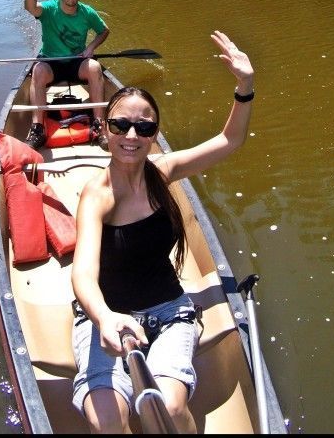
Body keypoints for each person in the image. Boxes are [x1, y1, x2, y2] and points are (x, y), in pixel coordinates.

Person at [70, 30, 254, 434]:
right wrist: (104, 317)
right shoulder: (97, 195)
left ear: (155, 133)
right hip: (105, 316)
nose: (132, 137)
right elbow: (82, 273)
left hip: (168, 312)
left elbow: (230, 140)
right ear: (105, 130)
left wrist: (244, 86)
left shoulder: (163, 172)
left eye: (144, 127)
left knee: (168, 412)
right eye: (121, 125)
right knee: (108, 421)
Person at [24, 0, 110, 149]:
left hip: (76, 62)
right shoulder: (48, 9)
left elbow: (104, 31)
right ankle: (37, 128)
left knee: (95, 68)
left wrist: (91, 48)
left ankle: (98, 125)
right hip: (50, 63)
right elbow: (31, 8)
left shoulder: (87, 12)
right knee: (38, 71)